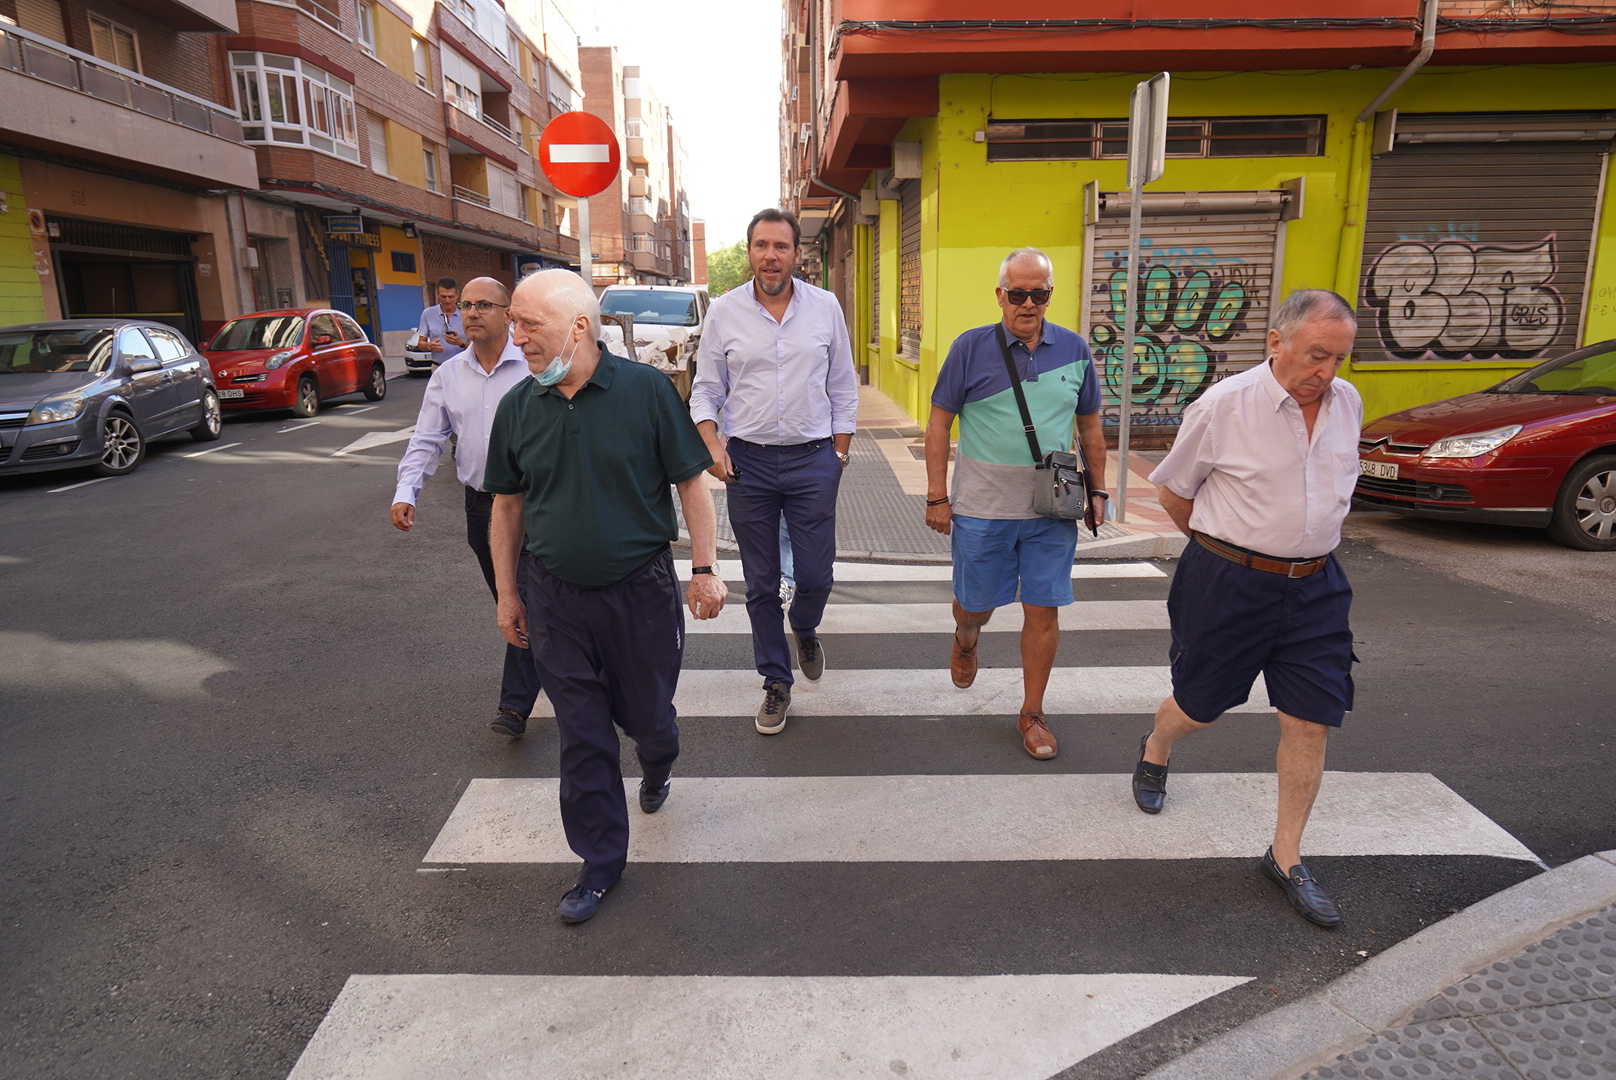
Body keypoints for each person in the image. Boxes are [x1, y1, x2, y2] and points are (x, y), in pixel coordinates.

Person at [486, 269, 727, 925]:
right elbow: (507, 506)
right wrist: (508, 594)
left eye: (528, 323)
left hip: (639, 593)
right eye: (513, 322)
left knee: (648, 718)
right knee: (583, 735)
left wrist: (704, 569)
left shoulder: (647, 392)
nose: (516, 335)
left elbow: (691, 484)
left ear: (578, 326)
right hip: (554, 598)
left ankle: (658, 760)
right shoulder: (518, 407)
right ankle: (599, 865)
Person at [1133, 289, 1362, 928]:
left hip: (1316, 586)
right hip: (1229, 584)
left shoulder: (1347, 403)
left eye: (1339, 359)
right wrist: (1224, 552)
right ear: (1276, 342)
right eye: (1316, 355)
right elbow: (1173, 493)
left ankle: (1285, 856)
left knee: (1311, 721)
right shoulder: (1223, 405)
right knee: (1199, 707)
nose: (1327, 372)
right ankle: (1157, 744)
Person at [924, 248, 1108, 761]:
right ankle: (966, 637)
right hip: (982, 507)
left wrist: (1098, 491)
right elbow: (938, 423)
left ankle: (1032, 712)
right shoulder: (969, 348)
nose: (1028, 304)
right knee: (975, 606)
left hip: (1053, 506)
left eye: (1039, 294)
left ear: (1050, 294)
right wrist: (937, 496)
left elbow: (1090, 426)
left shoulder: (1074, 349)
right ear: (1000, 295)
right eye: (1018, 294)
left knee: (1043, 610)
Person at [689, 207, 858, 735]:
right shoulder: (724, 312)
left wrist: (838, 456)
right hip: (750, 464)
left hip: (813, 460)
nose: (770, 256)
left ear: (795, 254)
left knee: (816, 576)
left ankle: (804, 626)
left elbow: (843, 385)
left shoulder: (825, 307)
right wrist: (712, 447)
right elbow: (705, 390)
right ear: (750, 253)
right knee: (761, 585)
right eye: (761, 246)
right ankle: (776, 682)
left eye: (780, 246)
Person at [391, 276, 541, 738]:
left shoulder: (534, 366)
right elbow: (427, 438)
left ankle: (515, 705)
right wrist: (406, 490)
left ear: (508, 314)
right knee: (510, 601)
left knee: (530, 598)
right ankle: (559, 664)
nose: (471, 313)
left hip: (537, 504)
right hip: (482, 508)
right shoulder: (449, 374)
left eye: (483, 305)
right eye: (466, 305)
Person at [414, 277, 467, 360]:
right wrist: (429, 346)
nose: (447, 300)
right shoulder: (428, 313)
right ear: (437, 294)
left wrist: (461, 343)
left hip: (462, 365)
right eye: (443, 296)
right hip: (438, 365)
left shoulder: (466, 314)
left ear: (457, 295)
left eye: (451, 297)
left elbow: (477, 346)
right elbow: (420, 344)